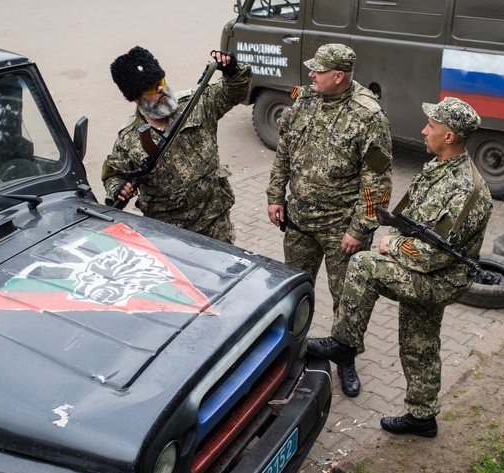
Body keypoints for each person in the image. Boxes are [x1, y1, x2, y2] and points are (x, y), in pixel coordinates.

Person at [307, 97, 493, 438]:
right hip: (424, 270)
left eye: (431, 126)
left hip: (439, 280)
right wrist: (396, 233)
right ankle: (422, 417)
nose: (423, 131)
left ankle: (344, 343)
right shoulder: (439, 167)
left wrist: (390, 245)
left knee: (363, 265)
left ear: (449, 136)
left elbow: (435, 255)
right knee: (419, 341)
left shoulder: (467, 191)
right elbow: (412, 221)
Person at [266, 43, 393, 323]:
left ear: (338, 76)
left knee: (348, 301)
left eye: (318, 71)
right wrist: (275, 196)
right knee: (293, 291)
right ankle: (293, 341)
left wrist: (359, 229)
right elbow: (285, 150)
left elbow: (378, 183)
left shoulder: (368, 116)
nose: (311, 74)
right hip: (300, 220)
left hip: (341, 228)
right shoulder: (304, 99)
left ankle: (344, 348)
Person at [102, 46, 252, 244]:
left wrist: (232, 71)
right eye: (152, 88)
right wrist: (118, 189)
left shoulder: (194, 104)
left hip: (215, 222)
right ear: (136, 98)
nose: (161, 89)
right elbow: (113, 174)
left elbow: (232, 93)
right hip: (171, 235)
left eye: (161, 82)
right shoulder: (129, 137)